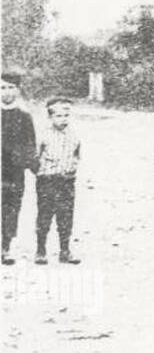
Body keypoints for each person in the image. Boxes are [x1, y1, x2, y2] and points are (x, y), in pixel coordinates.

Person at [34, 97, 81, 265]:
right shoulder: (43, 135)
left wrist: (71, 170)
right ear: (50, 117)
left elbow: (77, 154)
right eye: (59, 116)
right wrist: (43, 173)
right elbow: (35, 157)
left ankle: (65, 250)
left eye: (66, 115)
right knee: (45, 215)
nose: (63, 119)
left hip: (66, 181)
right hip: (47, 180)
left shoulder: (74, 135)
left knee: (66, 216)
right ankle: (41, 250)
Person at [2, 72, 38, 265]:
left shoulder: (24, 116)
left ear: (18, 89)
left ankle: (5, 246)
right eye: (2, 88)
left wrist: (33, 165)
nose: (6, 92)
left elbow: (30, 143)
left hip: (15, 170)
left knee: (12, 207)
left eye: (10, 87)